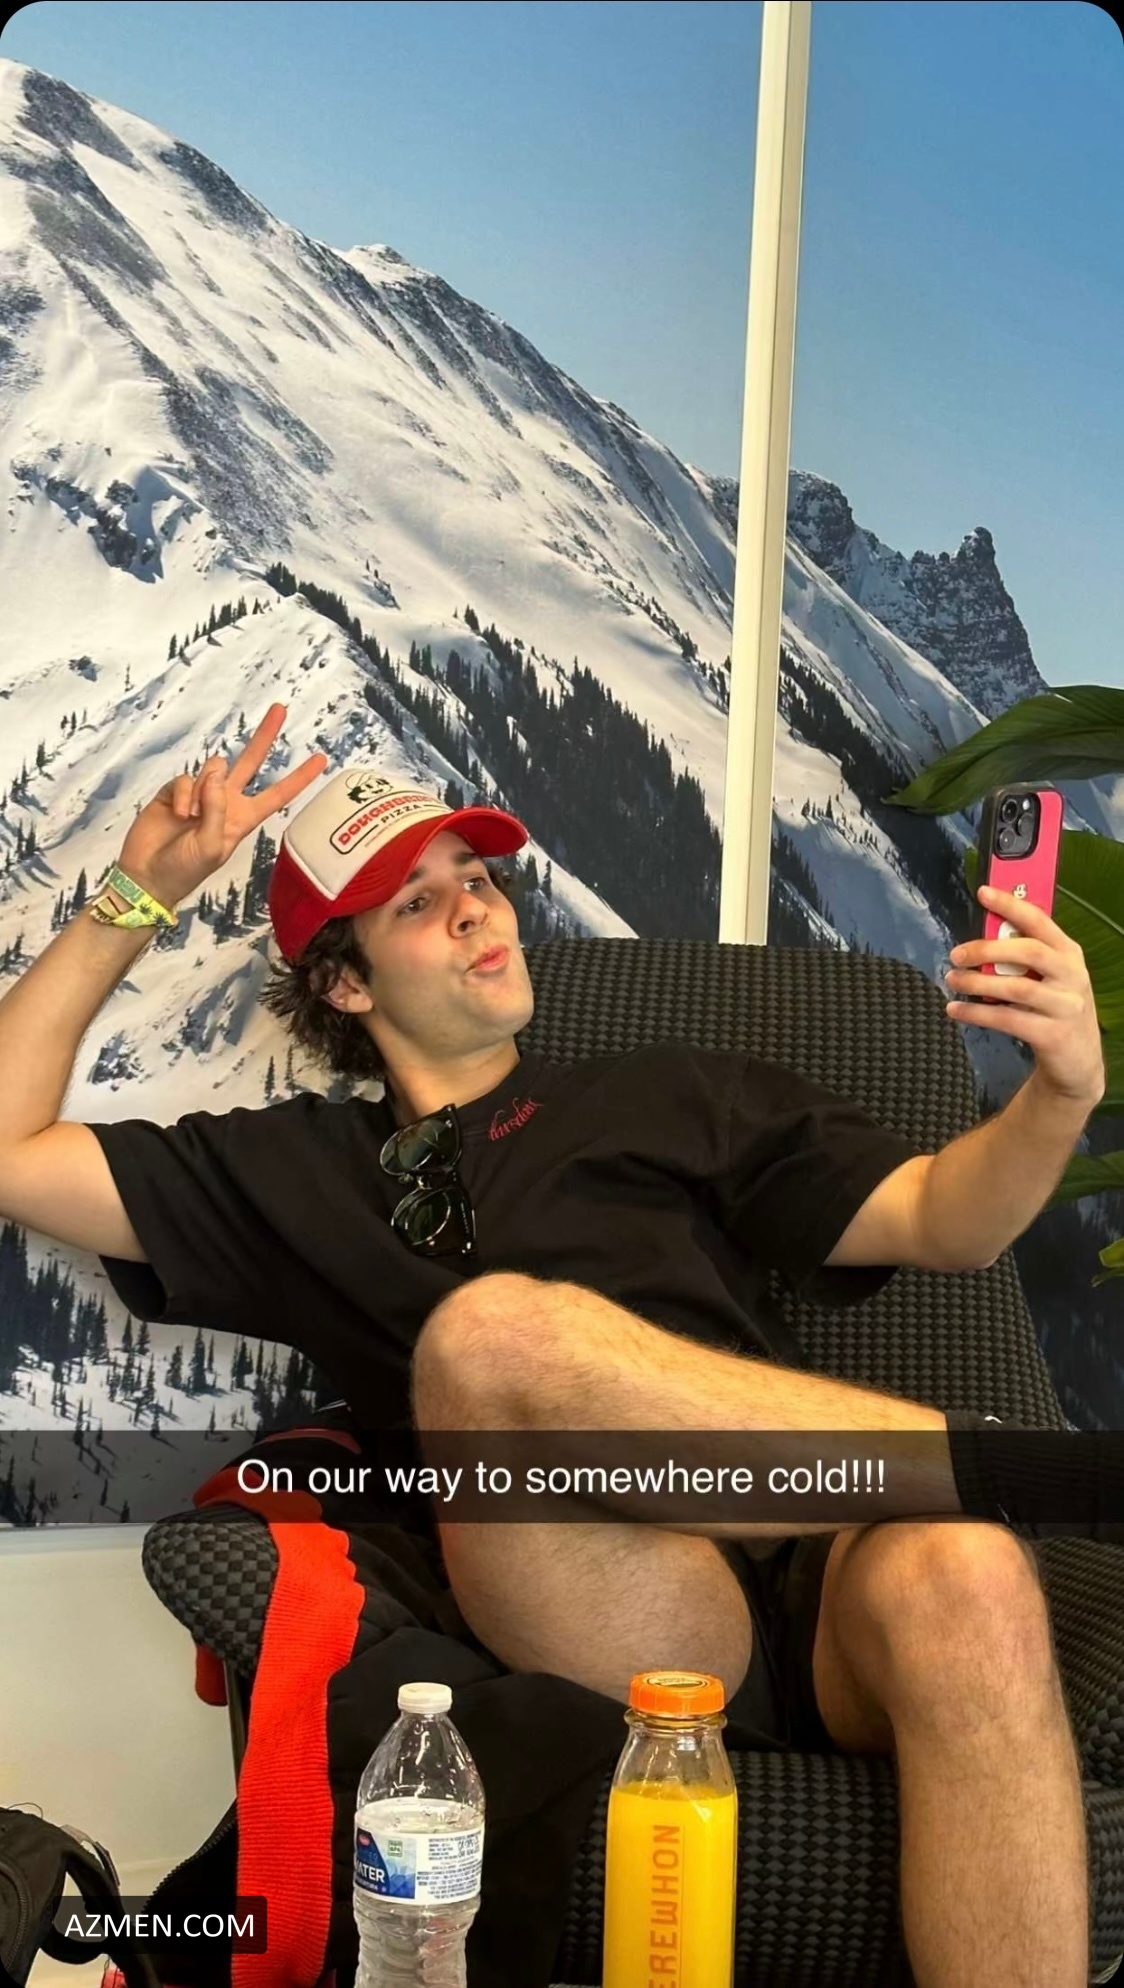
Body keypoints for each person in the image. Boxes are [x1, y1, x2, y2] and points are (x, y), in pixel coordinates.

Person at [0, 703, 1108, 1987]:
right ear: (346, 983)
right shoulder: (298, 1172)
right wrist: (140, 888)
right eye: (419, 903)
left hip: (819, 1570)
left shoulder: (666, 1091)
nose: (477, 908)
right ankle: (1012, 1471)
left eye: (476, 878)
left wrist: (1060, 1093)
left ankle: (977, 1493)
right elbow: (11, 1151)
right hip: (614, 1601)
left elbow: (944, 1219)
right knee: (491, 1331)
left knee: (967, 1572)